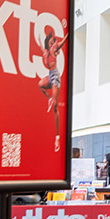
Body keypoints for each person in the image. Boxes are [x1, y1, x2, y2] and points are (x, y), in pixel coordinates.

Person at [38, 19, 70, 151]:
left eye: (53, 41)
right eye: (50, 41)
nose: (52, 43)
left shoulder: (54, 49)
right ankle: (49, 98)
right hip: (50, 75)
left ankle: (57, 137)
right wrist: (41, 39)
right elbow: (41, 44)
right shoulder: (45, 52)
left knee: (55, 107)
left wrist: (67, 31)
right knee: (40, 84)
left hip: (55, 75)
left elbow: (62, 42)